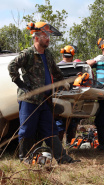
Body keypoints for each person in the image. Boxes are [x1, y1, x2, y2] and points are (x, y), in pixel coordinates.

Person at [8, 22, 80, 164]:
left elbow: (56, 72)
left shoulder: (47, 54)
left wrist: (66, 82)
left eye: (48, 36)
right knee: (27, 130)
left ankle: (63, 158)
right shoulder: (28, 54)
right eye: (45, 35)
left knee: (51, 130)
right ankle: (25, 158)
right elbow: (12, 66)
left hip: (45, 100)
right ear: (36, 37)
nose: (48, 38)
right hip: (29, 100)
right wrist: (20, 83)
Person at [56, 45, 80, 145]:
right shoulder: (77, 67)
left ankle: (58, 146)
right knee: (71, 121)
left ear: (62, 54)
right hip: (73, 98)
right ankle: (69, 144)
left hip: (59, 97)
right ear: (72, 55)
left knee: (60, 122)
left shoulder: (56, 66)